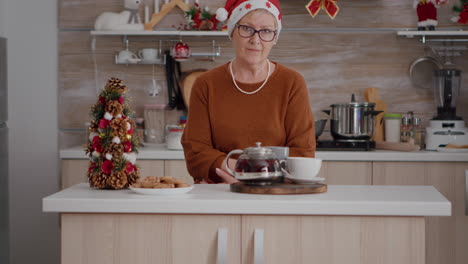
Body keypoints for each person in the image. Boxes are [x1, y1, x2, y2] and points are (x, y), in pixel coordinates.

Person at [181, 0, 315, 184]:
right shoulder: (206, 84)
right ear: (232, 32)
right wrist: (241, 170)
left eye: (266, 31)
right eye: (246, 28)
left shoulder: (292, 83)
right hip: (220, 193)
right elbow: (195, 152)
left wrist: (249, 174)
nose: (255, 39)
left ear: (275, 38)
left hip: (276, 194)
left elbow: (303, 152)